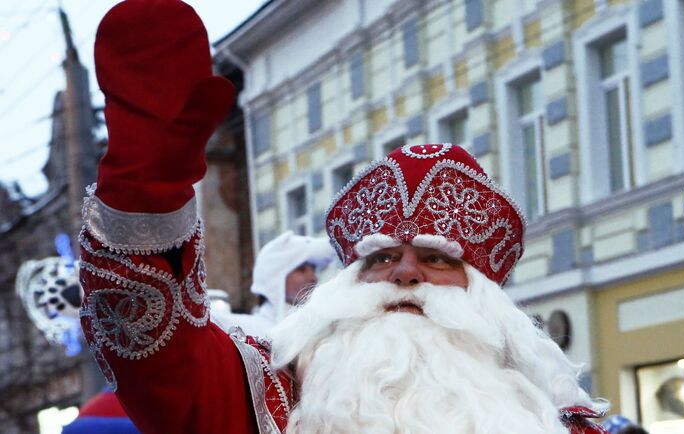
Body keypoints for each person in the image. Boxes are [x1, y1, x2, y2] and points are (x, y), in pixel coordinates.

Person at [77, 1, 609, 433]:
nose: (404, 273)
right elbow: (159, 359)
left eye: (434, 259)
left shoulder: (555, 418)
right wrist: (147, 187)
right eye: (381, 257)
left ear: (481, 293)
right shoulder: (274, 397)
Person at [210, 231, 336, 336]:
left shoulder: (322, 326)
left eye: (314, 270)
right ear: (276, 277)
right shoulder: (245, 329)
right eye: (301, 269)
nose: (313, 277)